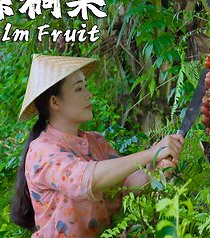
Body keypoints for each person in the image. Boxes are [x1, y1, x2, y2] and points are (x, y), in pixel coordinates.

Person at [11, 54, 184, 237]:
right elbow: (87, 180)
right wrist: (151, 153)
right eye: (79, 89)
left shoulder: (96, 142)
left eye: (85, 86)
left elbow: (126, 185)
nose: (89, 94)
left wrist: (151, 170)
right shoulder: (42, 150)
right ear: (55, 102)